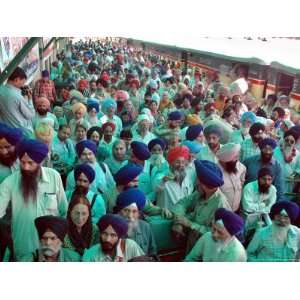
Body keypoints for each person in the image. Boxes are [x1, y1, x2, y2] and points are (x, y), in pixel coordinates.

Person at [0, 139, 68, 260]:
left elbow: (64, 210)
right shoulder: (9, 183)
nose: (25, 167)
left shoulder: (54, 177)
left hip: (52, 248)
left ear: (40, 161)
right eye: (22, 162)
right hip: (23, 248)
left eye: (30, 163)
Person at [172, 159, 231, 251]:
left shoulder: (221, 205)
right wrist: (178, 222)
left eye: (198, 181)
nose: (196, 183)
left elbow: (217, 234)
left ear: (204, 185)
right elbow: (181, 204)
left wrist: (190, 224)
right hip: (192, 245)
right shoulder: (200, 193)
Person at [115, 188, 157, 255]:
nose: (130, 216)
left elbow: (152, 253)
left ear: (139, 213)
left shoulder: (145, 227)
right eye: (126, 210)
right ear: (119, 211)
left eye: (134, 211)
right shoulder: (111, 228)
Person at [0, 67, 35, 137]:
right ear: (16, 79)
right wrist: (30, 99)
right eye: (23, 82)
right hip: (22, 133)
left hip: (7, 132)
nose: (22, 85)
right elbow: (30, 115)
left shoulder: (1, 89)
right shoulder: (17, 97)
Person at [156, 146, 194, 210]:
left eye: (182, 162)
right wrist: (163, 181)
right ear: (171, 164)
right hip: (166, 216)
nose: (180, 165)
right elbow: (156, 188)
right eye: (177, 162)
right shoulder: (162, 176)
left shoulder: (187, 178)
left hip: (183, 215)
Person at [242, 167, 277, 236]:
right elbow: (247, 207)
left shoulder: (272, 189)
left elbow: (271, 206)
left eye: (269, 179)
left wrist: (257, 207)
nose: (267, 182)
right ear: (258, 178)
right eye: (264, 179)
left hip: (263, 217)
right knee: (245, 237)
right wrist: (263, 205)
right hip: (247, 217)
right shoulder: (249, 187)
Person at [216, 143, 246, 212]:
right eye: (235, 157)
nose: (237, 159)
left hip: (236, 210)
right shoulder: (215, 171)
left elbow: (242, 182)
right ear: (226, 160)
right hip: (221, 211)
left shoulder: (241, 167)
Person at [273, 129, 300, 196]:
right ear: (283, 139)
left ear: (295, 143)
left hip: (289, 184)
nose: (288, 143)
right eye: (286, 140)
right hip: (275, 181)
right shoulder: (275, 151)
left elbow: (299, 168)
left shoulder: (298, 154)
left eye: (292, 141)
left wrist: (293, 175)